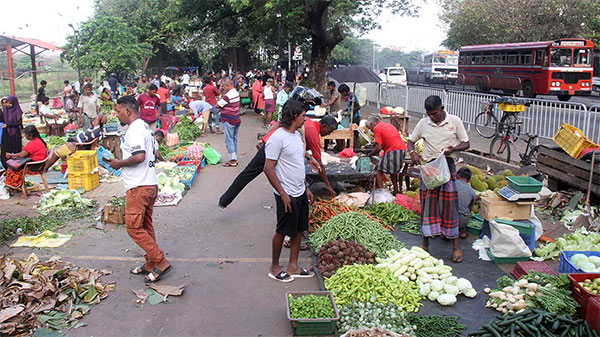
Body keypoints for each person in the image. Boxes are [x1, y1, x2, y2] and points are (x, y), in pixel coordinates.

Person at [105, 95, 171, 283]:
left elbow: (139, 156)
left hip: (139, 186)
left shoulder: (134, 130)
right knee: (145, 225)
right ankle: (150, 263)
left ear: (128, 111)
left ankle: (160, 261)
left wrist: (119, 163)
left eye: (118, 111)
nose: (117, 115)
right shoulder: (145, 127)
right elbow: (154, 153)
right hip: (150, 184)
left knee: (133, 227)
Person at [407, 95, 470, 263]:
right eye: (429, 114)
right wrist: (412, 153)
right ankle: (425, 243)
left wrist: (453, 149)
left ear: (442, 109)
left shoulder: (454, 121)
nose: (432, 117)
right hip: (429, 167)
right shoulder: (423, 123)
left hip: (447, 166)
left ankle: (456, 247)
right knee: (428, 205)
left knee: (450, 205)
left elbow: (466, 143)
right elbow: (411, 141)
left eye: (434, 113)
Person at [264, 99, 315, 282]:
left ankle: (293, 266)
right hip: (286, 194)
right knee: (282, 230)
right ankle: (275, 266)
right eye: (303, 116)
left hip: (300, 191)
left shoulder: (296, 137)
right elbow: (268, 168)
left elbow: (297, 164)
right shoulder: (277, 138)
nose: (305, 120)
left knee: (299, 229)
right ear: (294, 116)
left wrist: (306, 187)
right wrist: (283, 194)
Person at [365, 116, 407, 195]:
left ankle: (381, 192)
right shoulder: (387, 125)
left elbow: (379, 148)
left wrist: (369, 154)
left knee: (378, 170)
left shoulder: (377, 128)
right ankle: (396, 191)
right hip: (402, 149)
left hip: (394, 150)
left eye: (370, 128)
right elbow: (386, 140)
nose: (371, 131)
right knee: (393, 173)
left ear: (373, 124)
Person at [5, 125, 48, 195]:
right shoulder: (39, 141)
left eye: (25, 134)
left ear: (30, 135)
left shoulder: (33, 143)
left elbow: (22, 154)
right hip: (39, 164)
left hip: (34, 167)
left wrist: (11, 155)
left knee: (11, 170)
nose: (25, 136)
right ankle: (20, 188)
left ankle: (13, 189)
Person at [216, 79, 241, 167]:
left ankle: (233, 160)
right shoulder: (236, 93)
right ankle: (234, 157)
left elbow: (218, 105)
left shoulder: (228, 96)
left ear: (228, 85)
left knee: (229, 140)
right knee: (234, 139)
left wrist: (221, 94)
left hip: (229, 119)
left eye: (224, 86)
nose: (223, 88)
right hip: (236, 118)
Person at [0, 96, 23, 168]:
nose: (8, 104)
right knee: (6, 150)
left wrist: (8, 125)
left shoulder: (17, 111)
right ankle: (7, 167)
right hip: (6, 133)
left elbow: (19, 122)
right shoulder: (4, 110)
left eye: (10, 103)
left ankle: (16, 167)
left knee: (16, 149)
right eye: (7, 102)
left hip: (15, 132)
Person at [455, 167, 476, 239]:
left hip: (445, 219)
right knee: (465, 211)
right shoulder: (472, 191)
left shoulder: (449, 185)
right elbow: (470, 208)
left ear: (457, 176)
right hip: (461, 222)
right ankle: (463, 232)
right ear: (469, 180)